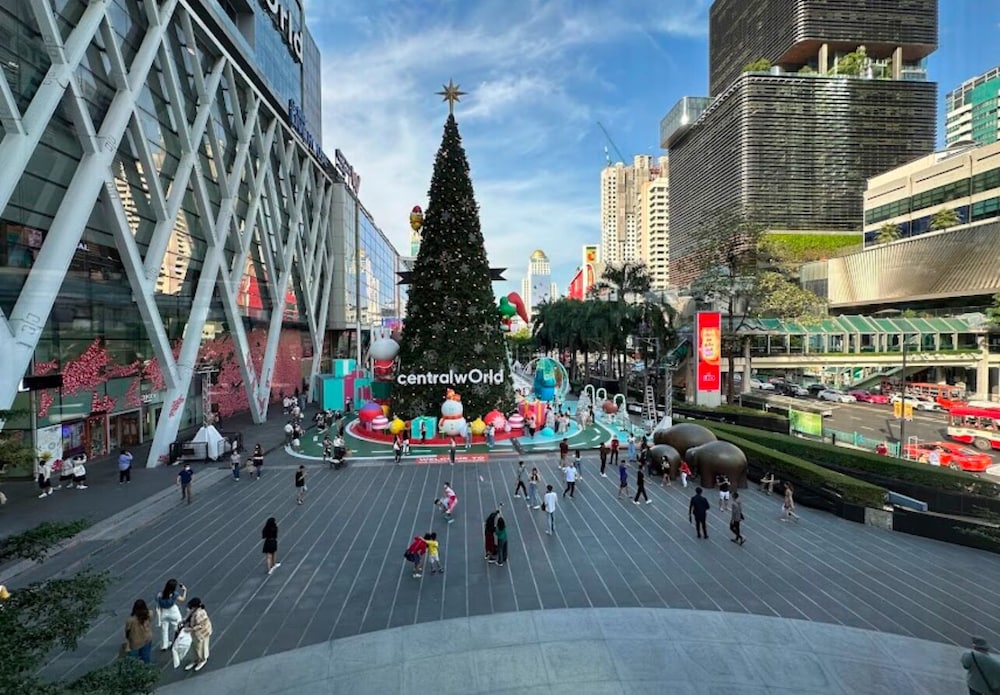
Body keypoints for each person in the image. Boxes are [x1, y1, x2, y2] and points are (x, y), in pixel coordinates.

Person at [181, 598, 212, 672]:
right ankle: (195, 659)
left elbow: (200, 625)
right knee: (194, 647)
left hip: (202, 633)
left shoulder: (200, 613)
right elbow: (188, 616)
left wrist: (190, 629)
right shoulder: (194, 611)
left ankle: (202, 660)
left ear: (194, 607)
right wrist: (184, 620)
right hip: (195, 633)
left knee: (201, 647)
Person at [155, 579, 186, 650]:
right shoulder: (174, 594)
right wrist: (184, 590)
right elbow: (182, 599)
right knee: (178, 625)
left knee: (164, 629)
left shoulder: (160, 594)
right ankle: (178, 642)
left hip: (163, 613)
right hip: (173, 611)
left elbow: (157, 600)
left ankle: (164, 645)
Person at [125, 599, 153, 663]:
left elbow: (127, 633)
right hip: (147, 638)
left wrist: (127, 645)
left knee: (133, 660)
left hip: (135, 641)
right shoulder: (149, 614)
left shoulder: (130, 620)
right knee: (146, 657)